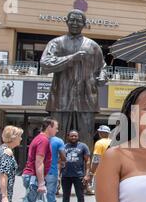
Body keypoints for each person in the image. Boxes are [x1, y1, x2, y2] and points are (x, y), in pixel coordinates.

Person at [40, 9, 105, 147]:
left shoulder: (93, 46)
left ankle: (85, 168)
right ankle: (55, 166)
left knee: (86, 139)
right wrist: (72, 58)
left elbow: (102, 67)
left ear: (84, 24)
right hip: (61, 99)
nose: (75, 23)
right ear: (66, 21)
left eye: (79, 21)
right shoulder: (56, 43)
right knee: (57, 138)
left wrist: (102, 77)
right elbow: (45, 64)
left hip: (86, 99)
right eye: (72, 20)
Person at [17, 117, 58, 202]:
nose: (57, 130)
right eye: (56, 127)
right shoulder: (43, 140)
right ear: (49, 127)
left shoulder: (40, 139)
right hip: (34, 178)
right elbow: (39, 162)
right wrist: (41, 183)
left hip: (31, 176)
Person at [84, 125, 112, 202]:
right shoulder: (113, 142)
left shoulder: (99, 143)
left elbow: (96, 159)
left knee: (100, 197)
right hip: (112, 173)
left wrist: (90, 174)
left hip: (101, 173)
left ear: (100, 133)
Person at [61, 130, 90, 202]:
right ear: (68, 136)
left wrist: (87, 174)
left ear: (78, 136)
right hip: (66, 175)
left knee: (80, 196)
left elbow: (87, 161)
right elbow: (60, 161)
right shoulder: (64, 147)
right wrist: (58, 175)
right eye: (72, 136)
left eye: (75, 136)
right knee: (65, 196)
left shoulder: (83, 146)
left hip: (79, 175)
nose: (73, 137)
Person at [46, 135, 66, 202]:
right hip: (51, 171)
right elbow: (63, 156)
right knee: (51, 196)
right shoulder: (58, 141)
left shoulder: (38, 139)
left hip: (39, 172)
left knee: (39, 196)